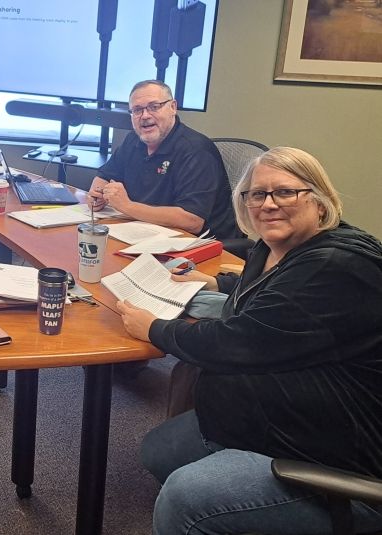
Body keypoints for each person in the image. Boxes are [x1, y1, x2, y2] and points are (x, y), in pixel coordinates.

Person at [114, 147, 382, 534]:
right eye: (257, 194)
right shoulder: (280, 248)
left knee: (184, 497)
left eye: (285, 192)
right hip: (281, 417)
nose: (269, 204)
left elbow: (236, 341)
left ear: (319, 201)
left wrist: (154, 329)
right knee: (160, 450)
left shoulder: (337, 267)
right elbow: (279, 296)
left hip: (334, 454)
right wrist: (218, 282)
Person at [87, 80, 239, 240]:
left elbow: (192, 220)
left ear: (173, 107)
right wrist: (97, 196)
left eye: (154, 107)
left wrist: (127, 206)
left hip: (201, 245)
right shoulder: (134, 139)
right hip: (146, 231)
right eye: (137, 110)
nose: (145, 116)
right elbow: (105, 175)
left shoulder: (196, 150)